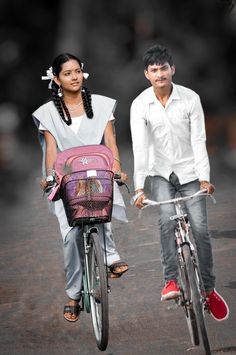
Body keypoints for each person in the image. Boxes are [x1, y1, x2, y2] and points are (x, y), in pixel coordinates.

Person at [130, 44, 229, 322]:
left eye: (164, 68)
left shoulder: (190, 99)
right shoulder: (140, 105)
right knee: (165, 220)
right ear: (146, 74)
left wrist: (205, 178)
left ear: (172, 69)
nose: (159, 74)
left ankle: (208, 290)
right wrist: (139, 188)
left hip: (190, 173)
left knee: (200, 228)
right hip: (160, 173)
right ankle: (170, 281)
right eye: (154, 70)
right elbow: (140, 147)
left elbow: (199, 141)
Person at [33, 53, 129, 322]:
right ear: (56, 78)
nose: (74, 77)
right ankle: (74, 293)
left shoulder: (101, 105)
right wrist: (53, 176)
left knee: (101, 208)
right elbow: (52, 151)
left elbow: (111, 142)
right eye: (67, 73)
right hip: (67, 176)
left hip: (98, 172)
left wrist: (117, 167)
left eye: (77, 71)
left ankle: (110, 256)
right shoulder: (48, 113)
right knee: (72, 236)